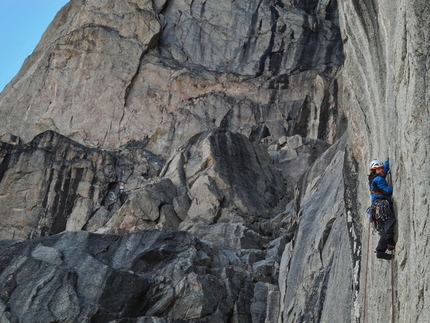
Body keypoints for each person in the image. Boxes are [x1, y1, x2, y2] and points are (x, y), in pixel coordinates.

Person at [368, 159, 396, 260]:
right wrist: (395, 187)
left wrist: (387, 162)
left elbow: (384, 169)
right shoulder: (378, 179)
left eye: (381, 168)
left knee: (385, 228)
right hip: (381, 205)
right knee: (390, 219)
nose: (381, 170)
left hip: (376, 207)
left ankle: (380, 250)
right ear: (374, 171)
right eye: (379, 169)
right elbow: (387, 191)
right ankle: (390, 241)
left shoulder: (374, 178)